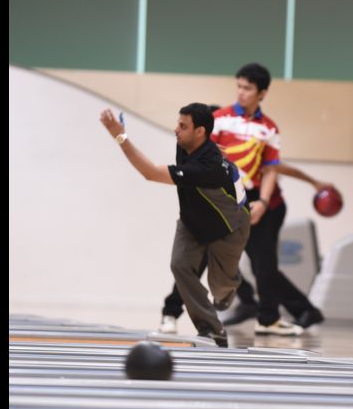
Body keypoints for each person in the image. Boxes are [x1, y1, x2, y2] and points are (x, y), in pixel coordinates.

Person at [99, 103, 250, 347]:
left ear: (199, 131)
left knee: (220, 288)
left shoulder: (205, 167)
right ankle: (212, 330)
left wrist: (119, 135)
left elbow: (149, 173)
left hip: (230, 225)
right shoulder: (188, 143)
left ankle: (229, 286)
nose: (175, 130)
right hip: (193, 220)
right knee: (179, 265)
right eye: (178, 123)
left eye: (182, 126)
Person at [205, 62, 326, 337]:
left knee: (264, 264)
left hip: (265, 204)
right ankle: (257, 303)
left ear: (262, 93)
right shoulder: (221, 119)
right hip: (229, 201)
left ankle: (268, 315)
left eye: (247, 88)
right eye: (238, 86)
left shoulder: (268, 128)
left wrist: (262, 201)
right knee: (227, 256)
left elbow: (274, 168)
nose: (241, 92)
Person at [157, 161, 336, 334]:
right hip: (230, 205)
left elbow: (276, 167)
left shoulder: (250, 137)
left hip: (263, 208)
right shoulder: (212, 146)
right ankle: (247, 302)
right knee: (209, 255)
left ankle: (295, 310)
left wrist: (313, 183)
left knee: (262, 265)